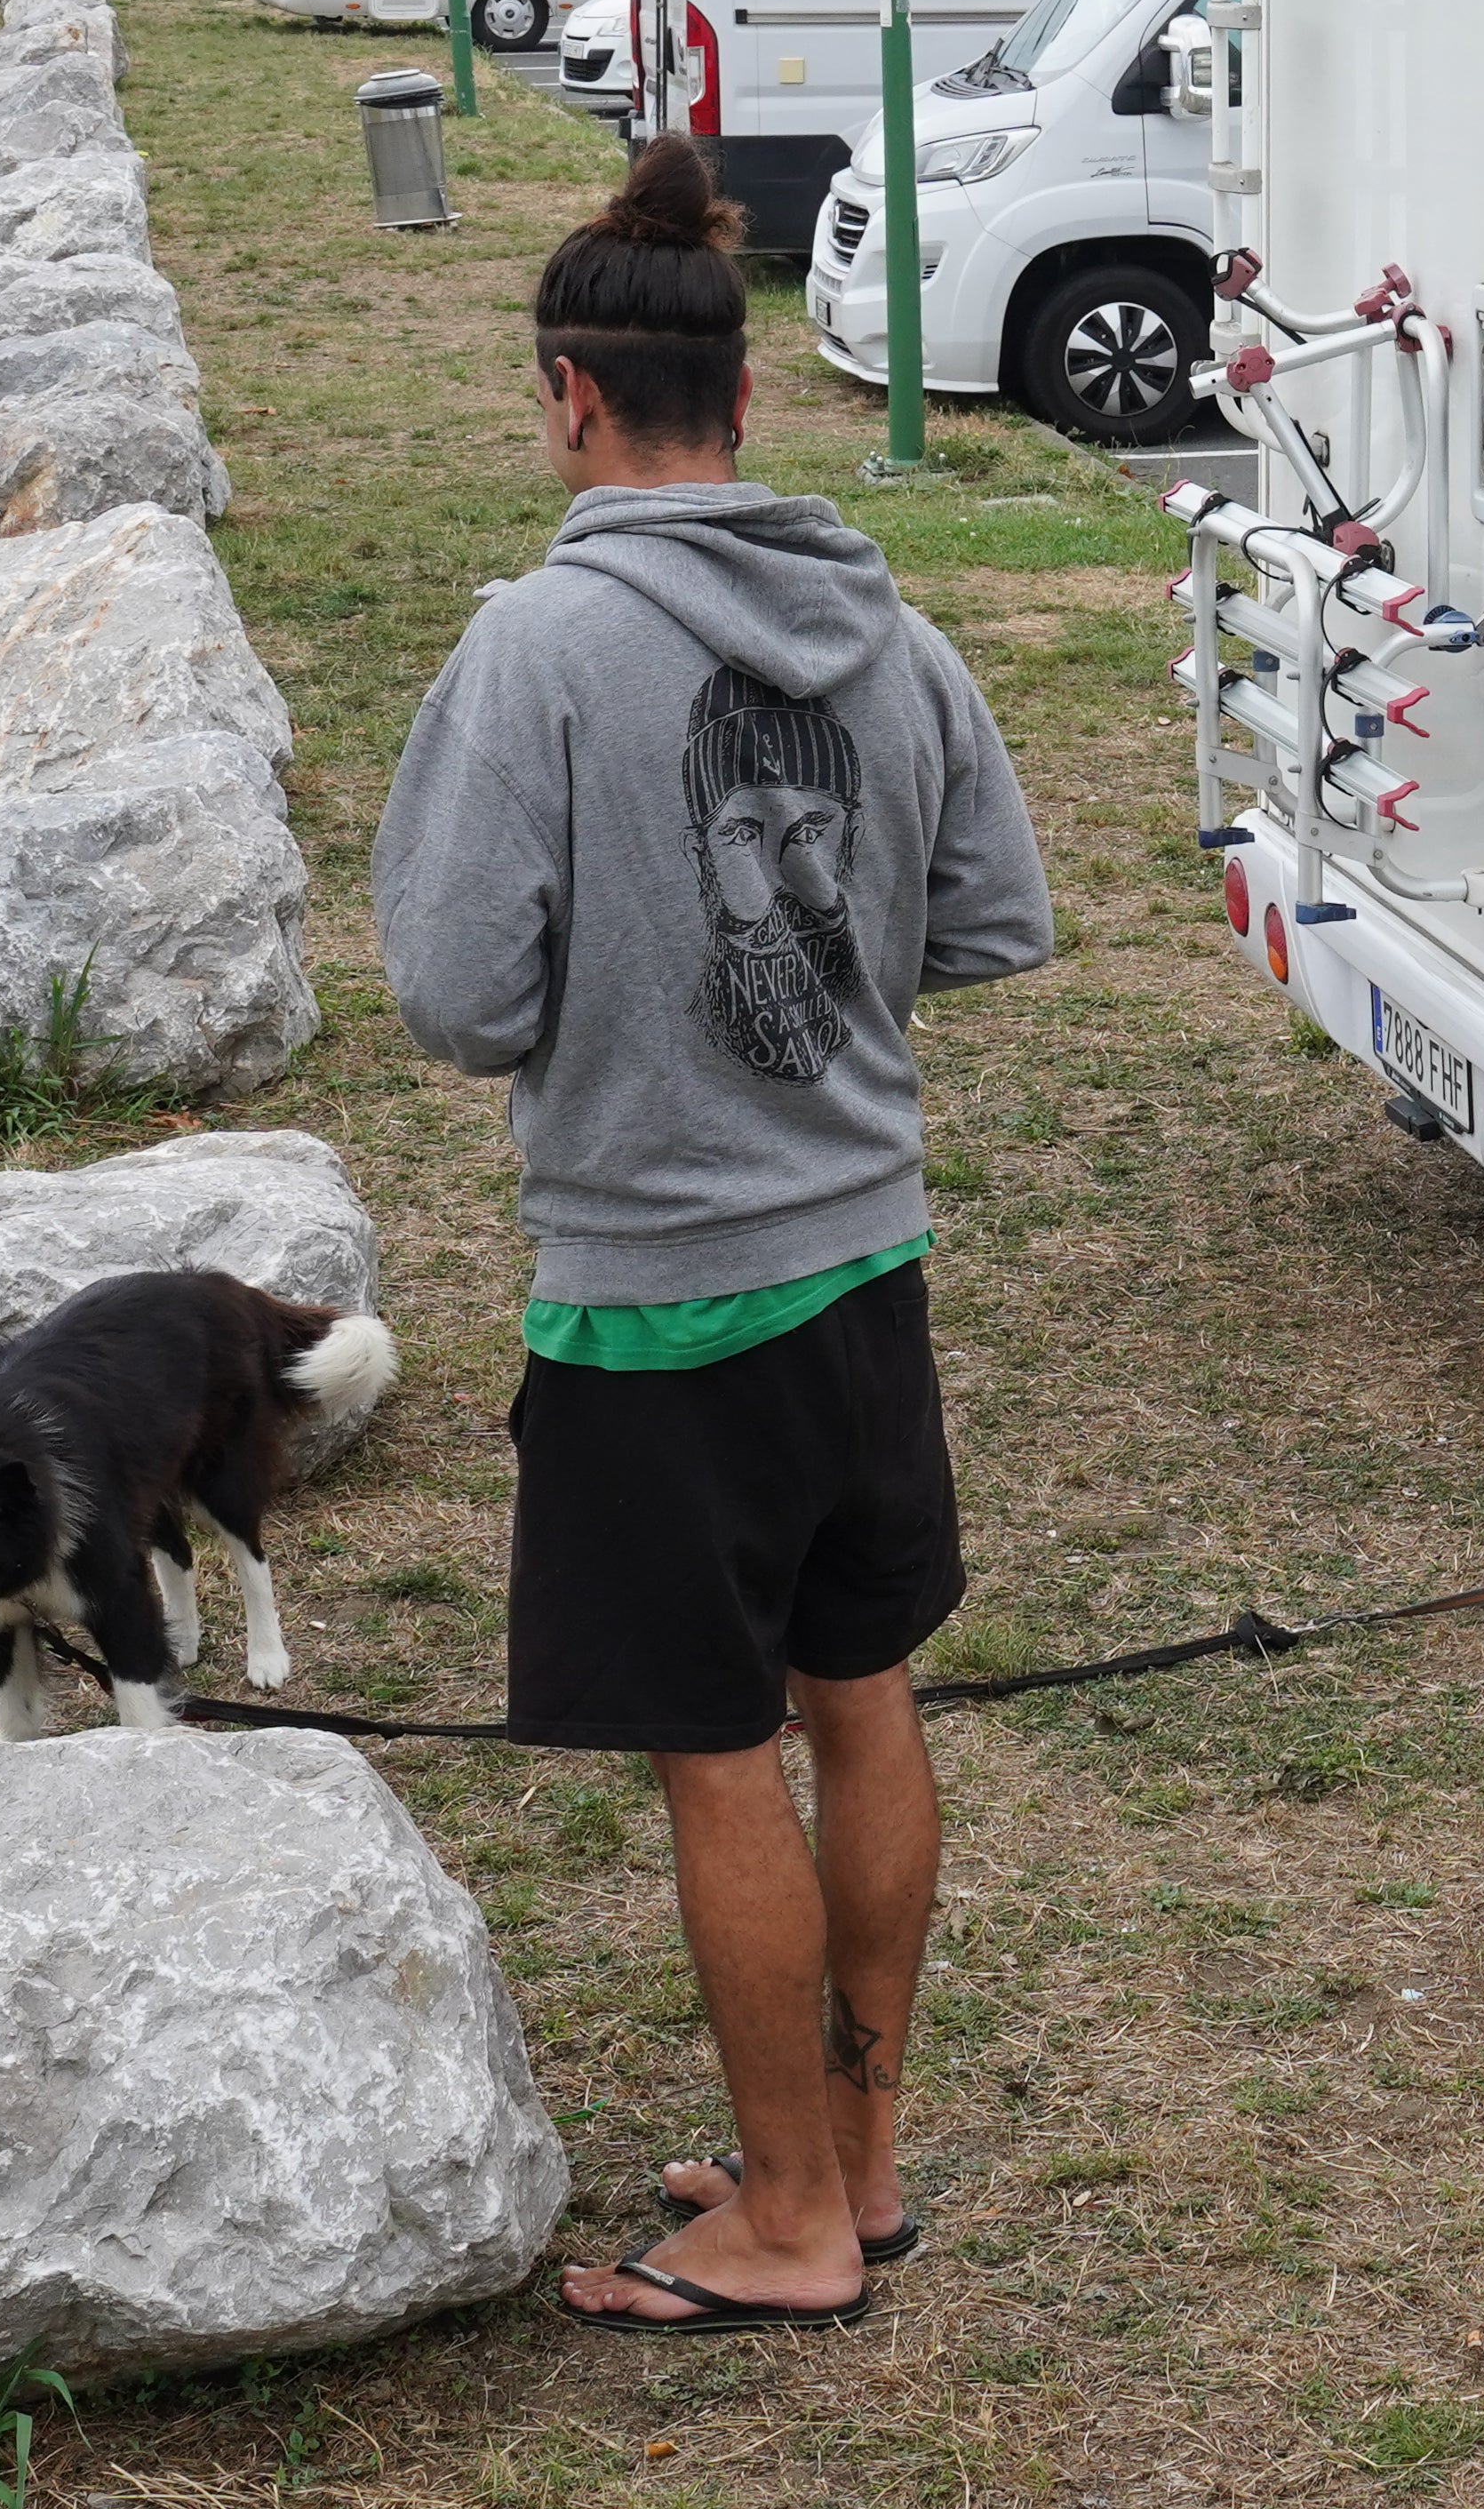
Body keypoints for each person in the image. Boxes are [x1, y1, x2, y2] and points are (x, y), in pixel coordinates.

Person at [374, 135, 1052, 2337]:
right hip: (870, 1262)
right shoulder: (894, 623)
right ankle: (853, 2156)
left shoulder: (540, 644)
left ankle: (785, 2218)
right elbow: (992, 917)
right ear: (741, 403)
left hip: (660, 1298)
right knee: (862, 1695)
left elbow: (462, 994)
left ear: (571, 398)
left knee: (712, 1748)